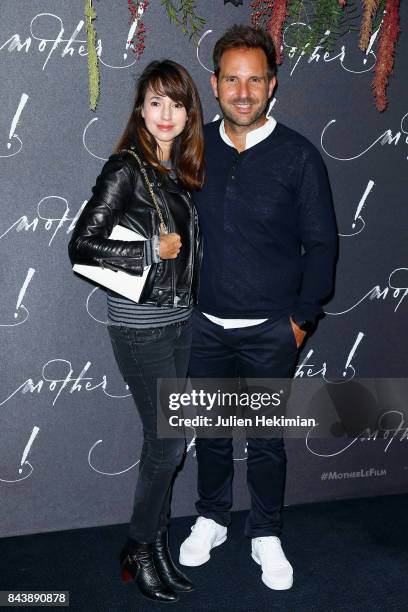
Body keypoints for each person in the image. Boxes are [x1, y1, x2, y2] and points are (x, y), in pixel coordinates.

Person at [179, 25, 338, 591]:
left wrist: (300, 321)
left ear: (271, 86)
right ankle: (212, 519)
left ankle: (266, 532)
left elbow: (322, 246)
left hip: (272, 328)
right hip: (203, 326)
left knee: (267, 442)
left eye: (254, 80)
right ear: (215, 83)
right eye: (231, 79)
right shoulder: (191, 147)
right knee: (212, 433)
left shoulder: (298, 156)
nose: (242, 92)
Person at [68, 59, 204, 603]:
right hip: (141, 326)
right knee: (168, 445)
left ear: (188, 111)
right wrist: (147, 249)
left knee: (166, 444)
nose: (166, 113)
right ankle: (139, 548)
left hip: (178, 324)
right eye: (155, 101)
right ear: (140, 109)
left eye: (176, 102)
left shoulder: (178, 171)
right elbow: (81, 246)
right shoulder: (126, 167)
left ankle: (158, 545)